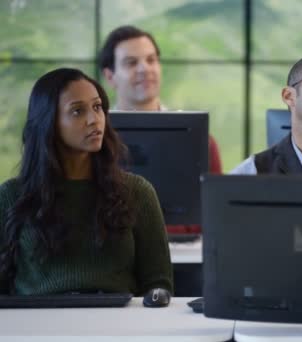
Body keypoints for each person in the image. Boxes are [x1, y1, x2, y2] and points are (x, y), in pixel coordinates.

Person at [0, 68, 173, 296]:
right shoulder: (11, 195)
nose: (94, 119)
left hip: (118, 325)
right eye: (77, 111)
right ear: (48, 123)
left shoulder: (137, 191)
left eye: (97, 107)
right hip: (39, 327)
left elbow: (159, 284)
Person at [98, 25, 222, 173]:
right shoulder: (96, 140)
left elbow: (214, 195)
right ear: (110, 77)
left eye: (151, 60)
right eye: (131, 62)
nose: (145, 69)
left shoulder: (201, 142)